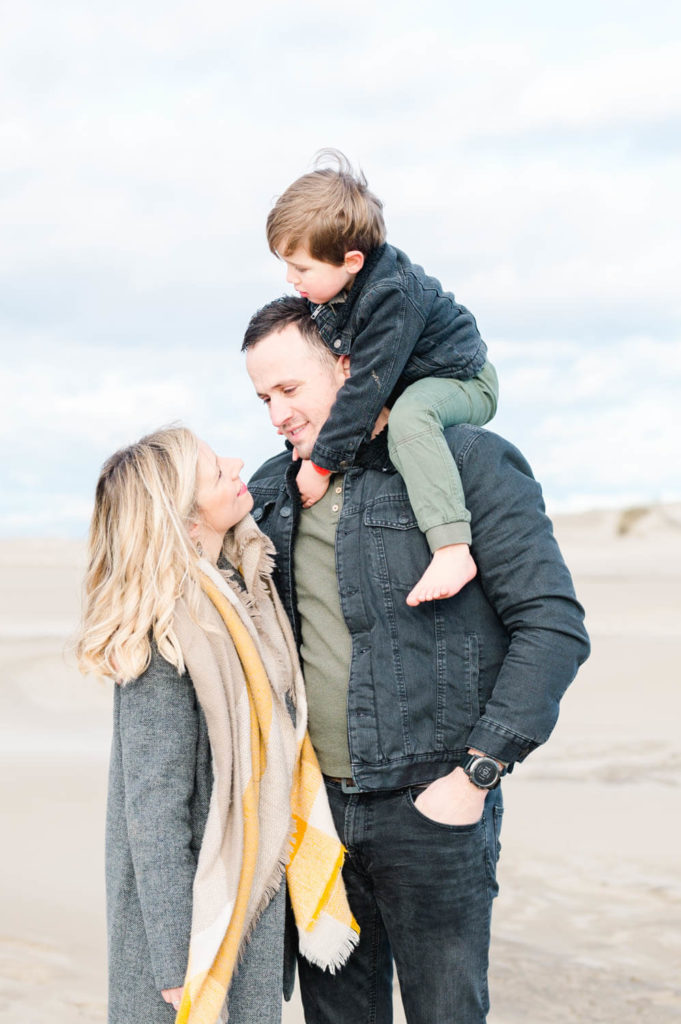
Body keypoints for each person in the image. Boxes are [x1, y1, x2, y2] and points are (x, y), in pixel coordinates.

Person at [242, 297, 590, 1024]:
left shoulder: (465, 461)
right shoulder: (273, 494)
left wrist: (476, 775)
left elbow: (551, 625)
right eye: (262, 397)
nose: (275, 414)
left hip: (433, 807)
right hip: (316, 821)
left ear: (350, 367)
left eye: (289, 390)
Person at [76, 426, 358, 1024]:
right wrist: (182, 967)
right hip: (194, 935)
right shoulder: (165, 636)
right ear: (184, 516)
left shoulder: (239, 602)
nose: (236, 465)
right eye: (213, 471)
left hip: (238, 906)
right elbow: (153, 817)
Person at [266, 149, 499, 606]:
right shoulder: (343, 287)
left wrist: (320, 466)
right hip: (416, 375)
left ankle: (452, 546)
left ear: (351, 260)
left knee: (410, 418)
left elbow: (365, 390)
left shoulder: (390, 295)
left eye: (302, 267)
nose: (290, 278)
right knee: (376, 410)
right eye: (286, 264)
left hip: (465, 380)